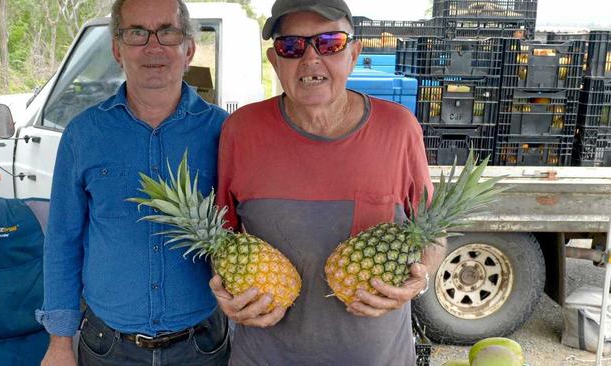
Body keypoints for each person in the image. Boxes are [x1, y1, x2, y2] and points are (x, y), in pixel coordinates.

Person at [211, 0, 446, 364]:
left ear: (353, 53)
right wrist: (224, 289)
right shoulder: (241, 131)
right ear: (275, 61)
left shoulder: (398, 129)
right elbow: (222, 238)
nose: (310, 59)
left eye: (330, 43)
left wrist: (421, 277)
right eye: (292, 46)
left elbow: (433, 233)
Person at [35, 0, 230, 365]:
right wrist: (59, 344)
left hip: (202, 346)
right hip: (108, 347)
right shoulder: (83, 134)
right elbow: (62, 240)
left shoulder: (223, 132)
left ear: (188, 49)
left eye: (167, 31)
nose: (153, 46)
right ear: (117, 49)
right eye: (137, 33)